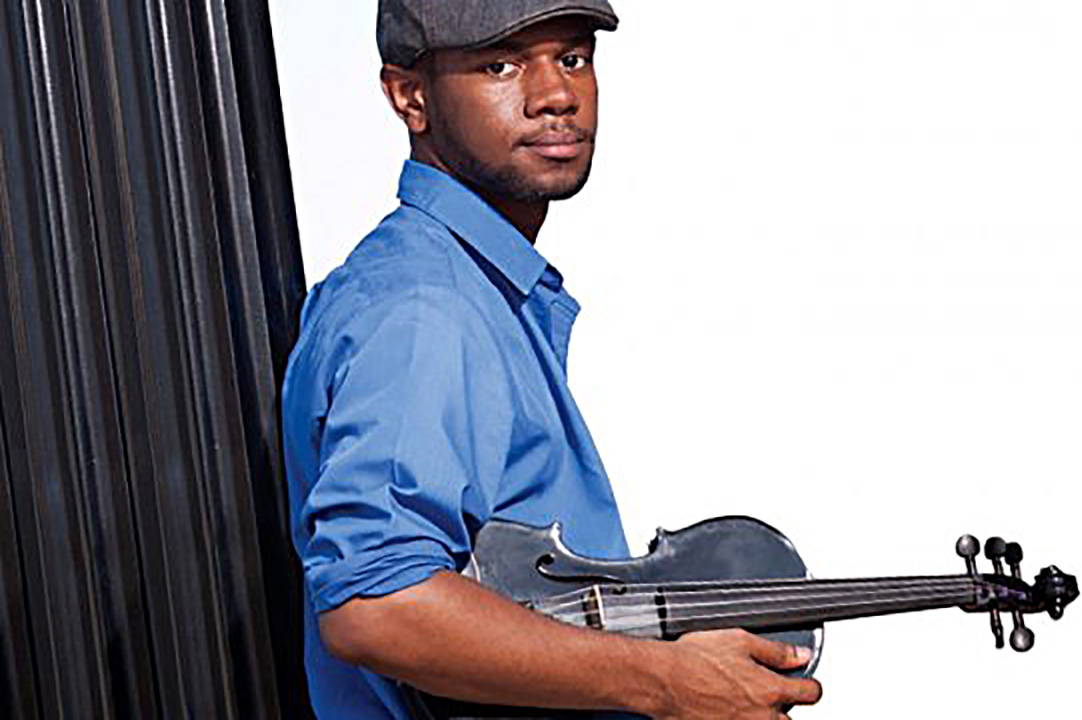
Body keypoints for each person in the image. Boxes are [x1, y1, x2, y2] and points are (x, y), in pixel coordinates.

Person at [281, 2, 824, 718]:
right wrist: (667, 681)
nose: (556, 96)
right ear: (409, 95)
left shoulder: (465, 289)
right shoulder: (423, 308)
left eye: (572, 58)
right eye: (501, 65)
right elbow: (378, 606)